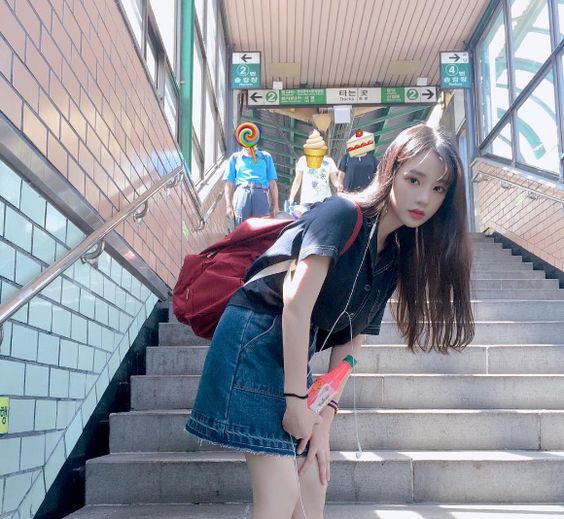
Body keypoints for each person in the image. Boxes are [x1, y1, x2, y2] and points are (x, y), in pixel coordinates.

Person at [186, 124, 475, 519]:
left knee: (312, 484)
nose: (424, 197)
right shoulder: (342, 213)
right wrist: (295, 401)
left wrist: (324, 419)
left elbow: (353, 341)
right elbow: (296, 306)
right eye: (414, 180)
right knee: (280, 498)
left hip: (291, 353)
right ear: (390, 171)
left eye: (439, 188)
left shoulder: (394, 253)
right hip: (253, 340)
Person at [224, 145, 280, 227]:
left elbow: (272, 182)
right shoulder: (235, 157)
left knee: (261, 226)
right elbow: (229, 183)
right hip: (242, 192)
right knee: (240, 226)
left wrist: (276, 205)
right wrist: (228, 206)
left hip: (261, 193)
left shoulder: (265, 157)